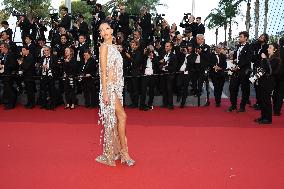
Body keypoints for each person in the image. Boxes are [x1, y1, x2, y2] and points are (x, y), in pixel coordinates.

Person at [96, 21, 135, 167]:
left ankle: (119, 152)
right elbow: (103, 72)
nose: (104, 31)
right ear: (100, 34)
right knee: (122, 116)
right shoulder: (104, 47)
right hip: (109, 88)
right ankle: (124, 153)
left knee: (118, 119)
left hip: (117, 87)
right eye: (101, 30)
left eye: (106, 28)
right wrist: (105, 92)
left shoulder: (114, 47)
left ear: (111, 30)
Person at [254, 43, 281, 124]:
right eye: (268, 47)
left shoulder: (276, 59)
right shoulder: (268, 58)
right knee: (262, 100)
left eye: (270, 48)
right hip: (263, 81)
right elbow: (263, 69)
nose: (268, 49)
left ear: (275, 50)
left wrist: (264, 59)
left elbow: (269, 70)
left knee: (266, 100)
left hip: (269, 82)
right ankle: (263, 116)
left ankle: (268, 119)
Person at [227, 31, 253, 112]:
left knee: (244, 89)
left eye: (241, 36)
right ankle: (233, 105)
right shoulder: (238, 46)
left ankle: (242, 106)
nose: (239, 38)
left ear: (246, 38)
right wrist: (234, 60)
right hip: (236, 70)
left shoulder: (250, 47)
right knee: (232, 87)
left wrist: (238, 66)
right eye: (239, 36)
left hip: (244, 71)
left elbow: (248, 59)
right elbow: (236, 57)